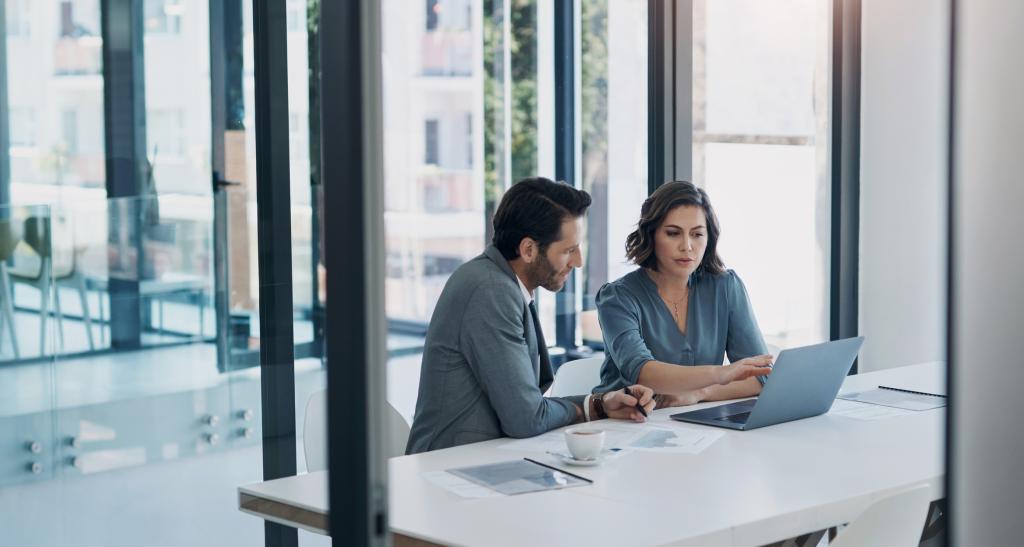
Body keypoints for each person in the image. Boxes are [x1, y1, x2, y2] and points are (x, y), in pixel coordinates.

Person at [406, 177, 656, 454]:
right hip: (451, 468)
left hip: (487, 458)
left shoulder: (501, 282)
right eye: (569, 250)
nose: (578, 262)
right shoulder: (490, 290)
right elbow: (526, 418)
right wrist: (591, 407)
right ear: (528, 250)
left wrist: (599, 404)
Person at [593, 181, 773, 407]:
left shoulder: (725, 286)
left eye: (697, 234)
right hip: (623, 424)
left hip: (695, 426)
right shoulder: (618, 297)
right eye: (673, 233)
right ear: (651, 235)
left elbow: (761, 376)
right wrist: (721, 374)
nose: (687, 246)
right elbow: (642, 371)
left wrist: (700, 393)